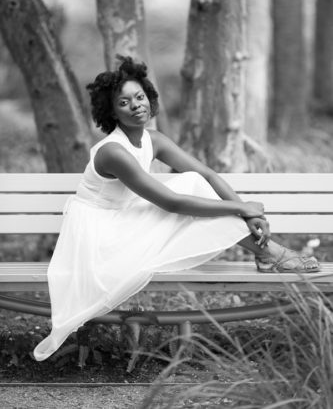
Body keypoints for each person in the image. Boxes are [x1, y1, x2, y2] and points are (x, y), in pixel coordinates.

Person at [33, 55, 320, 361]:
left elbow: (207, 174)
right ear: (111, 111)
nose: (136, 105)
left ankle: (267, 251)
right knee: (188, 190)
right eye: (124, 102)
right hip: (99, 238)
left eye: (140, 96)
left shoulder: (151, 139)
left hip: (125, 219)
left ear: (149, 98)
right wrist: (241, 207)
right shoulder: (112, 152)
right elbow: (170, 202)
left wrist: (250, 213)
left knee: (194, 179)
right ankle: (270, 253)